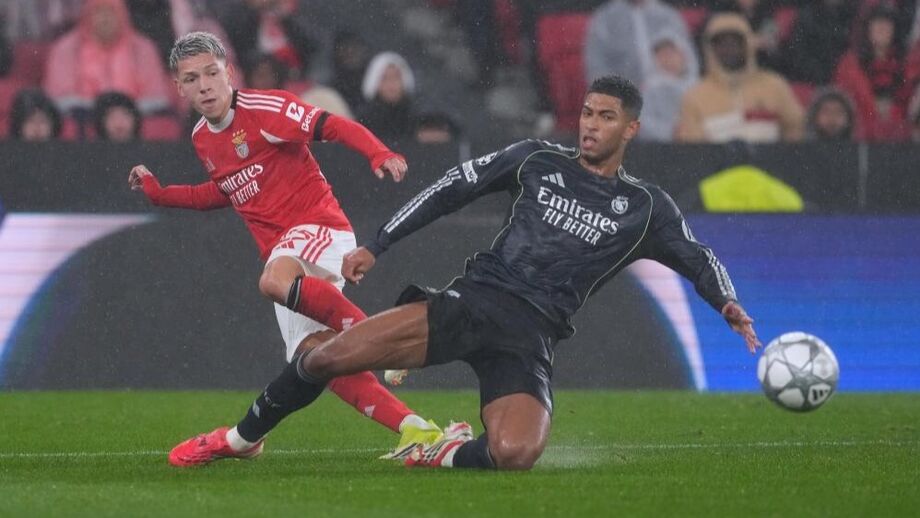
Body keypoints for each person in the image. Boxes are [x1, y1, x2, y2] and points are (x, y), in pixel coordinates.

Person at [171, 75, 761, 471]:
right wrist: (378, 243)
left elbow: (697, 256)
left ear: (630, 129)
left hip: (532, 336)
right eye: (585, 113)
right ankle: (240, 439)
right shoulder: (536, 158)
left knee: (514, 454)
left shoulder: (646, 208)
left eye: (606, 118)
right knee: (323, 357)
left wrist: (726, 302)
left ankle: (441, 452)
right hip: (472, 301)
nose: (590, 125)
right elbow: (451, 189)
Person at [128, 31, 442, 466]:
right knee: (316, 358)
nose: (204, 85)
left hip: (319, 228)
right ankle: (415, 428)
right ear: (178, 88)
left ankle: (388, 341)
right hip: (286, 250)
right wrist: (159, 194)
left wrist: (378, 153)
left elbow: (330, 124)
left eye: (212, 73)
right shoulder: (203, 137)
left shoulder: (263, 109)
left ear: (229, 73)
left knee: (274, 280)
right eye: (192, 78)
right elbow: (222, 193)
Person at [676, 13, 804, 143]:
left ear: (748, 44)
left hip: (769, 162)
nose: (729, 49)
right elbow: (692, 149)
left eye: (735, 42)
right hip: (716, 163)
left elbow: (796, 131)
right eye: (721, 44)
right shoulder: (695, 96)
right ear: (711, 49)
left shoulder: (774, 86)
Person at [43, 0, 174, 116]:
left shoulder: (143, 49)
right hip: (82, 126)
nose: (105, 18)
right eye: (99, 12)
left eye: (111, 11)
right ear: (87, 15)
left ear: (123, 15)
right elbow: (59, 100)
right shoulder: (66, 49)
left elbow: (157, 100)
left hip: (135, 127)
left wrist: (124, 113)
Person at [584, 0, 698, 89]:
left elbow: (690, 65)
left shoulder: (669, 17)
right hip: (625, 104)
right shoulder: (604, 20)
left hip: (673, 97)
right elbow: (596, 70)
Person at [358, 52, 416, 143]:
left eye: (396, 77)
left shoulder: (416, 118)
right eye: (384, 78)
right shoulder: (364, 121)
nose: (391, 84)